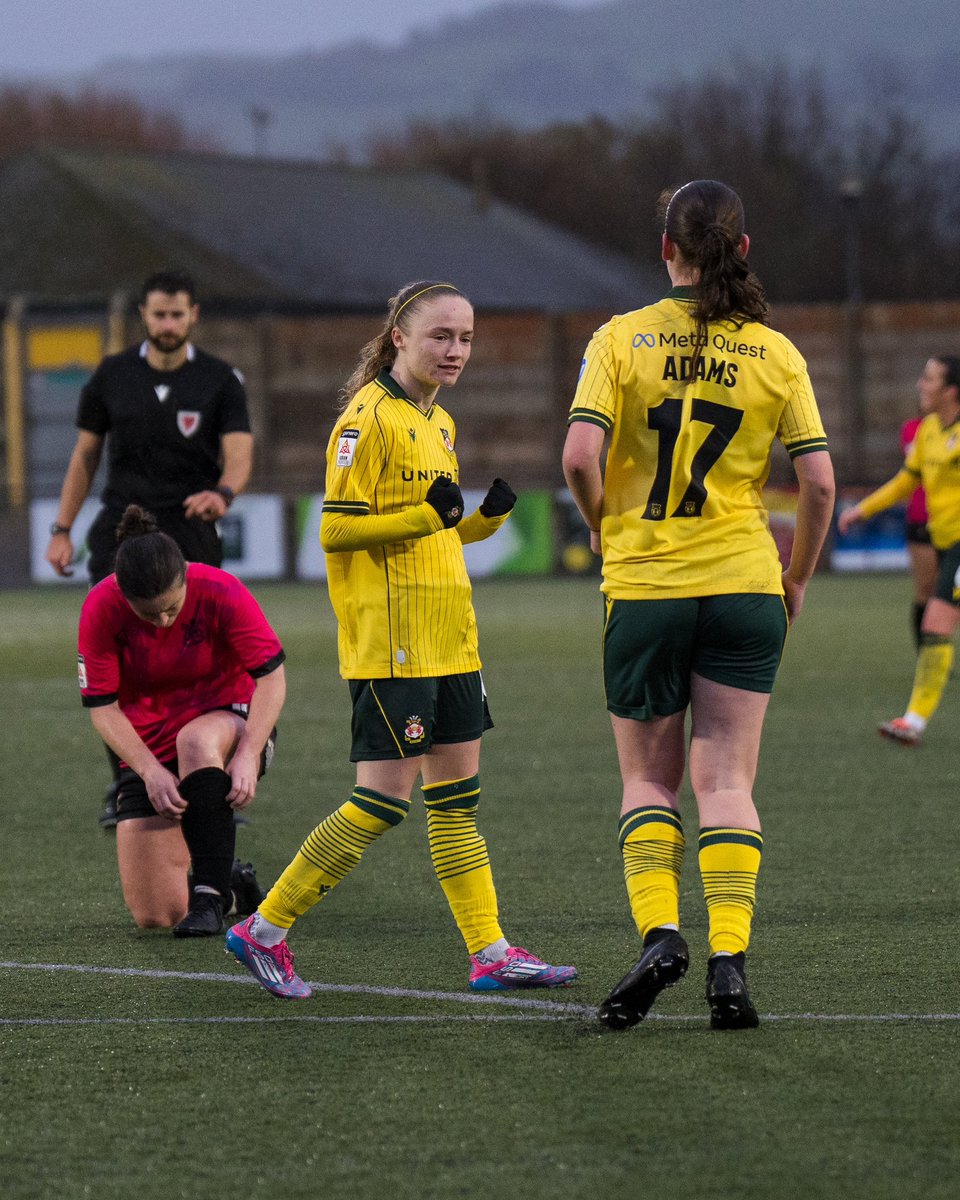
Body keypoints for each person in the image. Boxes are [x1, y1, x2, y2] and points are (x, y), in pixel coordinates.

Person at [225, 279, 577, 998]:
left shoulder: (437, 423)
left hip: (452, 640)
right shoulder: (368, 419)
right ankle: (262, 930)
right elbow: (334, 529)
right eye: (442, 336)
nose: (456, 350)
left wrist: (483, 520)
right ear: (401, 339)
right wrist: (426, 516)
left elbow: (439, 526)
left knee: (456, 804)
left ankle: (491, 953)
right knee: (382, 803)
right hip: (393, 644)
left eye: (467, 338)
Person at [562, 180, 835, 1031]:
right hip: (746, 582)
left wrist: (604, 528)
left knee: (649, 779)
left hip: (647, 586)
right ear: (743, 249)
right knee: (728, 779)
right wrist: (797, 576)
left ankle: (661, 935)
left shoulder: (620, 339)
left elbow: (578, 456)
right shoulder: (776, 353)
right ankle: (728, 964)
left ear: (666, 252)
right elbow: (818, 481)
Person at [45, 269, 254, 829]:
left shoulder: (220, 380)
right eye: (158, 314)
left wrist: (224, 492)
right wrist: (61, 528)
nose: (167, 323)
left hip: (190, 532)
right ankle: (128, 786)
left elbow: (239, 451)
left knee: (205, 663)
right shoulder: (111, 375)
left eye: (177, 314)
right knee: (119, 670)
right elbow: (85, 457)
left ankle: (209, 782)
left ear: (194, 315)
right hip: (120, 534)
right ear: (144, 314)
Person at [77, 505, 285, 936]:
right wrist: (149, 771)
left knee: (194, 742)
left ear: (185, 578)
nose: (164, 621)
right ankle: (230, 881)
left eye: (171, 608)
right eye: (149, 614)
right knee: (157, 914)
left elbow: (271, 678)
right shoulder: (100, 606)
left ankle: (209, 895)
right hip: (151, 744)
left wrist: (249, 753)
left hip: (232, 723)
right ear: (124, 596)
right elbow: (103, 707)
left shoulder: (220, 589)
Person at [838, 355, 960, 746]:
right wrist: (862, 510)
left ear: (951, 390)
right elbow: (906, 482)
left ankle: (914, 721)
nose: (920, 385)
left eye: (929, 379)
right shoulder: (927, 430)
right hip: (946, 544)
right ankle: (914, 721)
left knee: (935, 624)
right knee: (935, 624)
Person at [900, 400, 936, 649]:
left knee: (948, 592)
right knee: (925, 590)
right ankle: (927, 654)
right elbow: (911, 475)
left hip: (953, 522)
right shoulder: (916, 429)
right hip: (922, 517)